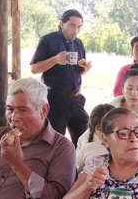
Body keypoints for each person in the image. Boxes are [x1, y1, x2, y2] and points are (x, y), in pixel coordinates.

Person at [30, 9, 92, 145]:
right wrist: (55, 60)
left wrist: (85, 68)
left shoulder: (78, 43)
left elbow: (79, 72)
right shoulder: (48, 40)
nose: (75, 30)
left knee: (86, 139)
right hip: (55, 99)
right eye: (72, 25)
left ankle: (78, 159)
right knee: (53, 142)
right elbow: (34, 69)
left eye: (79, 27)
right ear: (61, 24)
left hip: (76, 98)